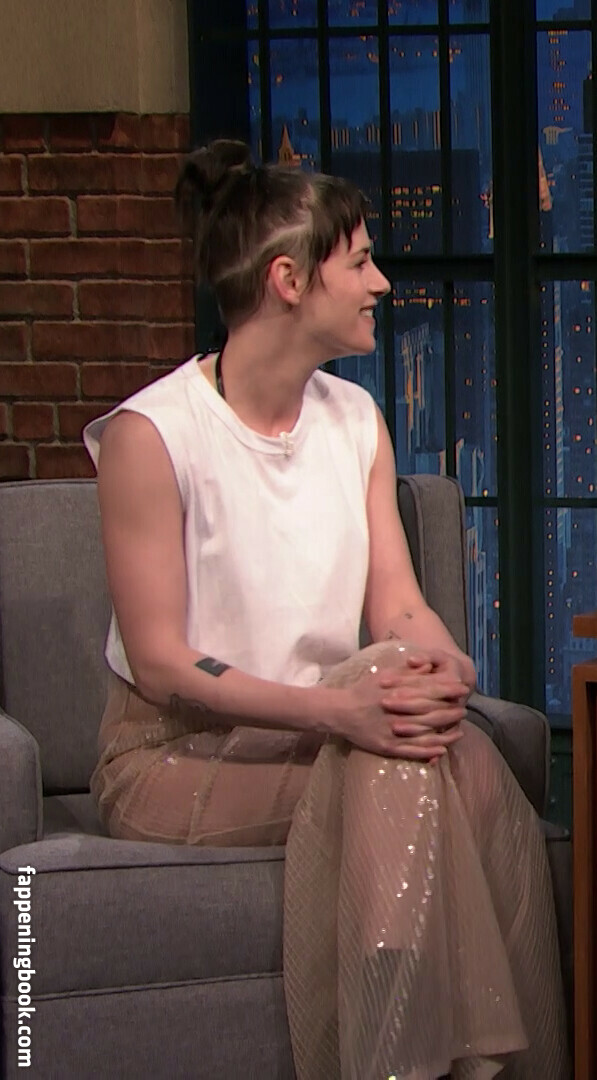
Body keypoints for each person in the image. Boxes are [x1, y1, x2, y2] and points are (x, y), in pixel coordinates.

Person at [84, 140, 567, 1080]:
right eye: (360, 261)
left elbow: (397, 604)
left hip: (327, 734)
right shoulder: (153, 435)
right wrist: (340, 711)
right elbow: (163, 664)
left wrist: (445, 668)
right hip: (176, 755)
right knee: (406, 766)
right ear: (288, 280)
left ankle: (438, 1059)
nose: (381, 283)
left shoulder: (354, 420)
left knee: (454, 753)